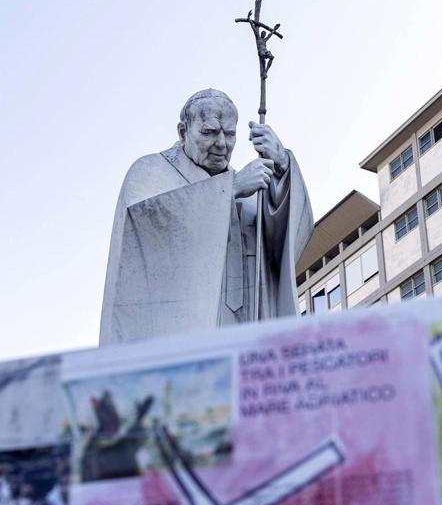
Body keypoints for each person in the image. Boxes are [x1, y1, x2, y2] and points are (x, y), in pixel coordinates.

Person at [99, 89, 313, 344]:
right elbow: (144, 235)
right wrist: (229, 191)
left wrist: (283, 168)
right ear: (183, 132)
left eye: (230, 134)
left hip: (246, 335)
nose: (221, 143)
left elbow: (283, 247)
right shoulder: (150, 172)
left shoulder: (251, 186)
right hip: (181, 337)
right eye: (209, 132)